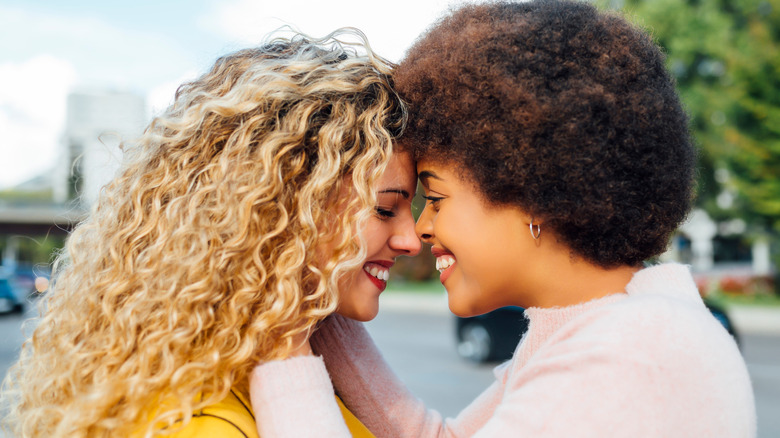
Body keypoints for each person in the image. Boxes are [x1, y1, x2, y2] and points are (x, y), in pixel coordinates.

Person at [248, 1, 757, 437]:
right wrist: (305, 289)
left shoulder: (635, 354)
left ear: (535, 191)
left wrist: (281, 351)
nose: (420, 229)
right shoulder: (612, 326)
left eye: (437, 199)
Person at [0, 29, 421, 438]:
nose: (412, 240)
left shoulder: (308, 361)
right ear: (287, 205)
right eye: (385, 209)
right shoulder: (206, 424)